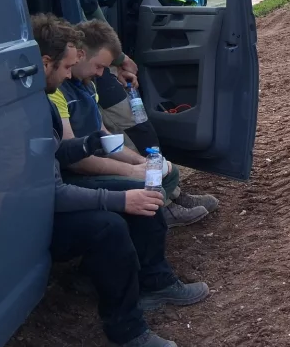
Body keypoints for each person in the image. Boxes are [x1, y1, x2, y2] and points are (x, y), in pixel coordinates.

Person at [32, 13, 208, 347]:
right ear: (45, 62)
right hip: (37, 211)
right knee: (111, 225)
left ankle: (154, 282)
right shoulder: (45, 102)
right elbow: (55, 187)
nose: (72, 73)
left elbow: (65, 151)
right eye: (68, 67)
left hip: (49, 197)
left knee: (146, 197)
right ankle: (125, 333)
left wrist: (125, 157)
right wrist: (121, 196)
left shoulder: (46, 97)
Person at [62, 0, 198, 227]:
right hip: (84, 68)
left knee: (138, 126)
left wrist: (115, 60)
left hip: (94, 65)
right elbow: (93, 25)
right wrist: (120, 59)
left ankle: (170, 192)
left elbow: (96, 20)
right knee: (135, 127)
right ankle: (160, 203)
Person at [51, 19, 219, 226]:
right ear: (81, 55)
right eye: (99, 66)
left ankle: (167, 199)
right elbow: (75, 160)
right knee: (143, 179)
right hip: (80, 172)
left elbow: (105, 136)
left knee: (166, 170)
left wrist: (140, 162)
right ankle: (160, 209)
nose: (101, 74)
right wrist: (131, 171)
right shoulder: (57, 93)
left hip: (97, 162)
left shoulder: (87, 85)